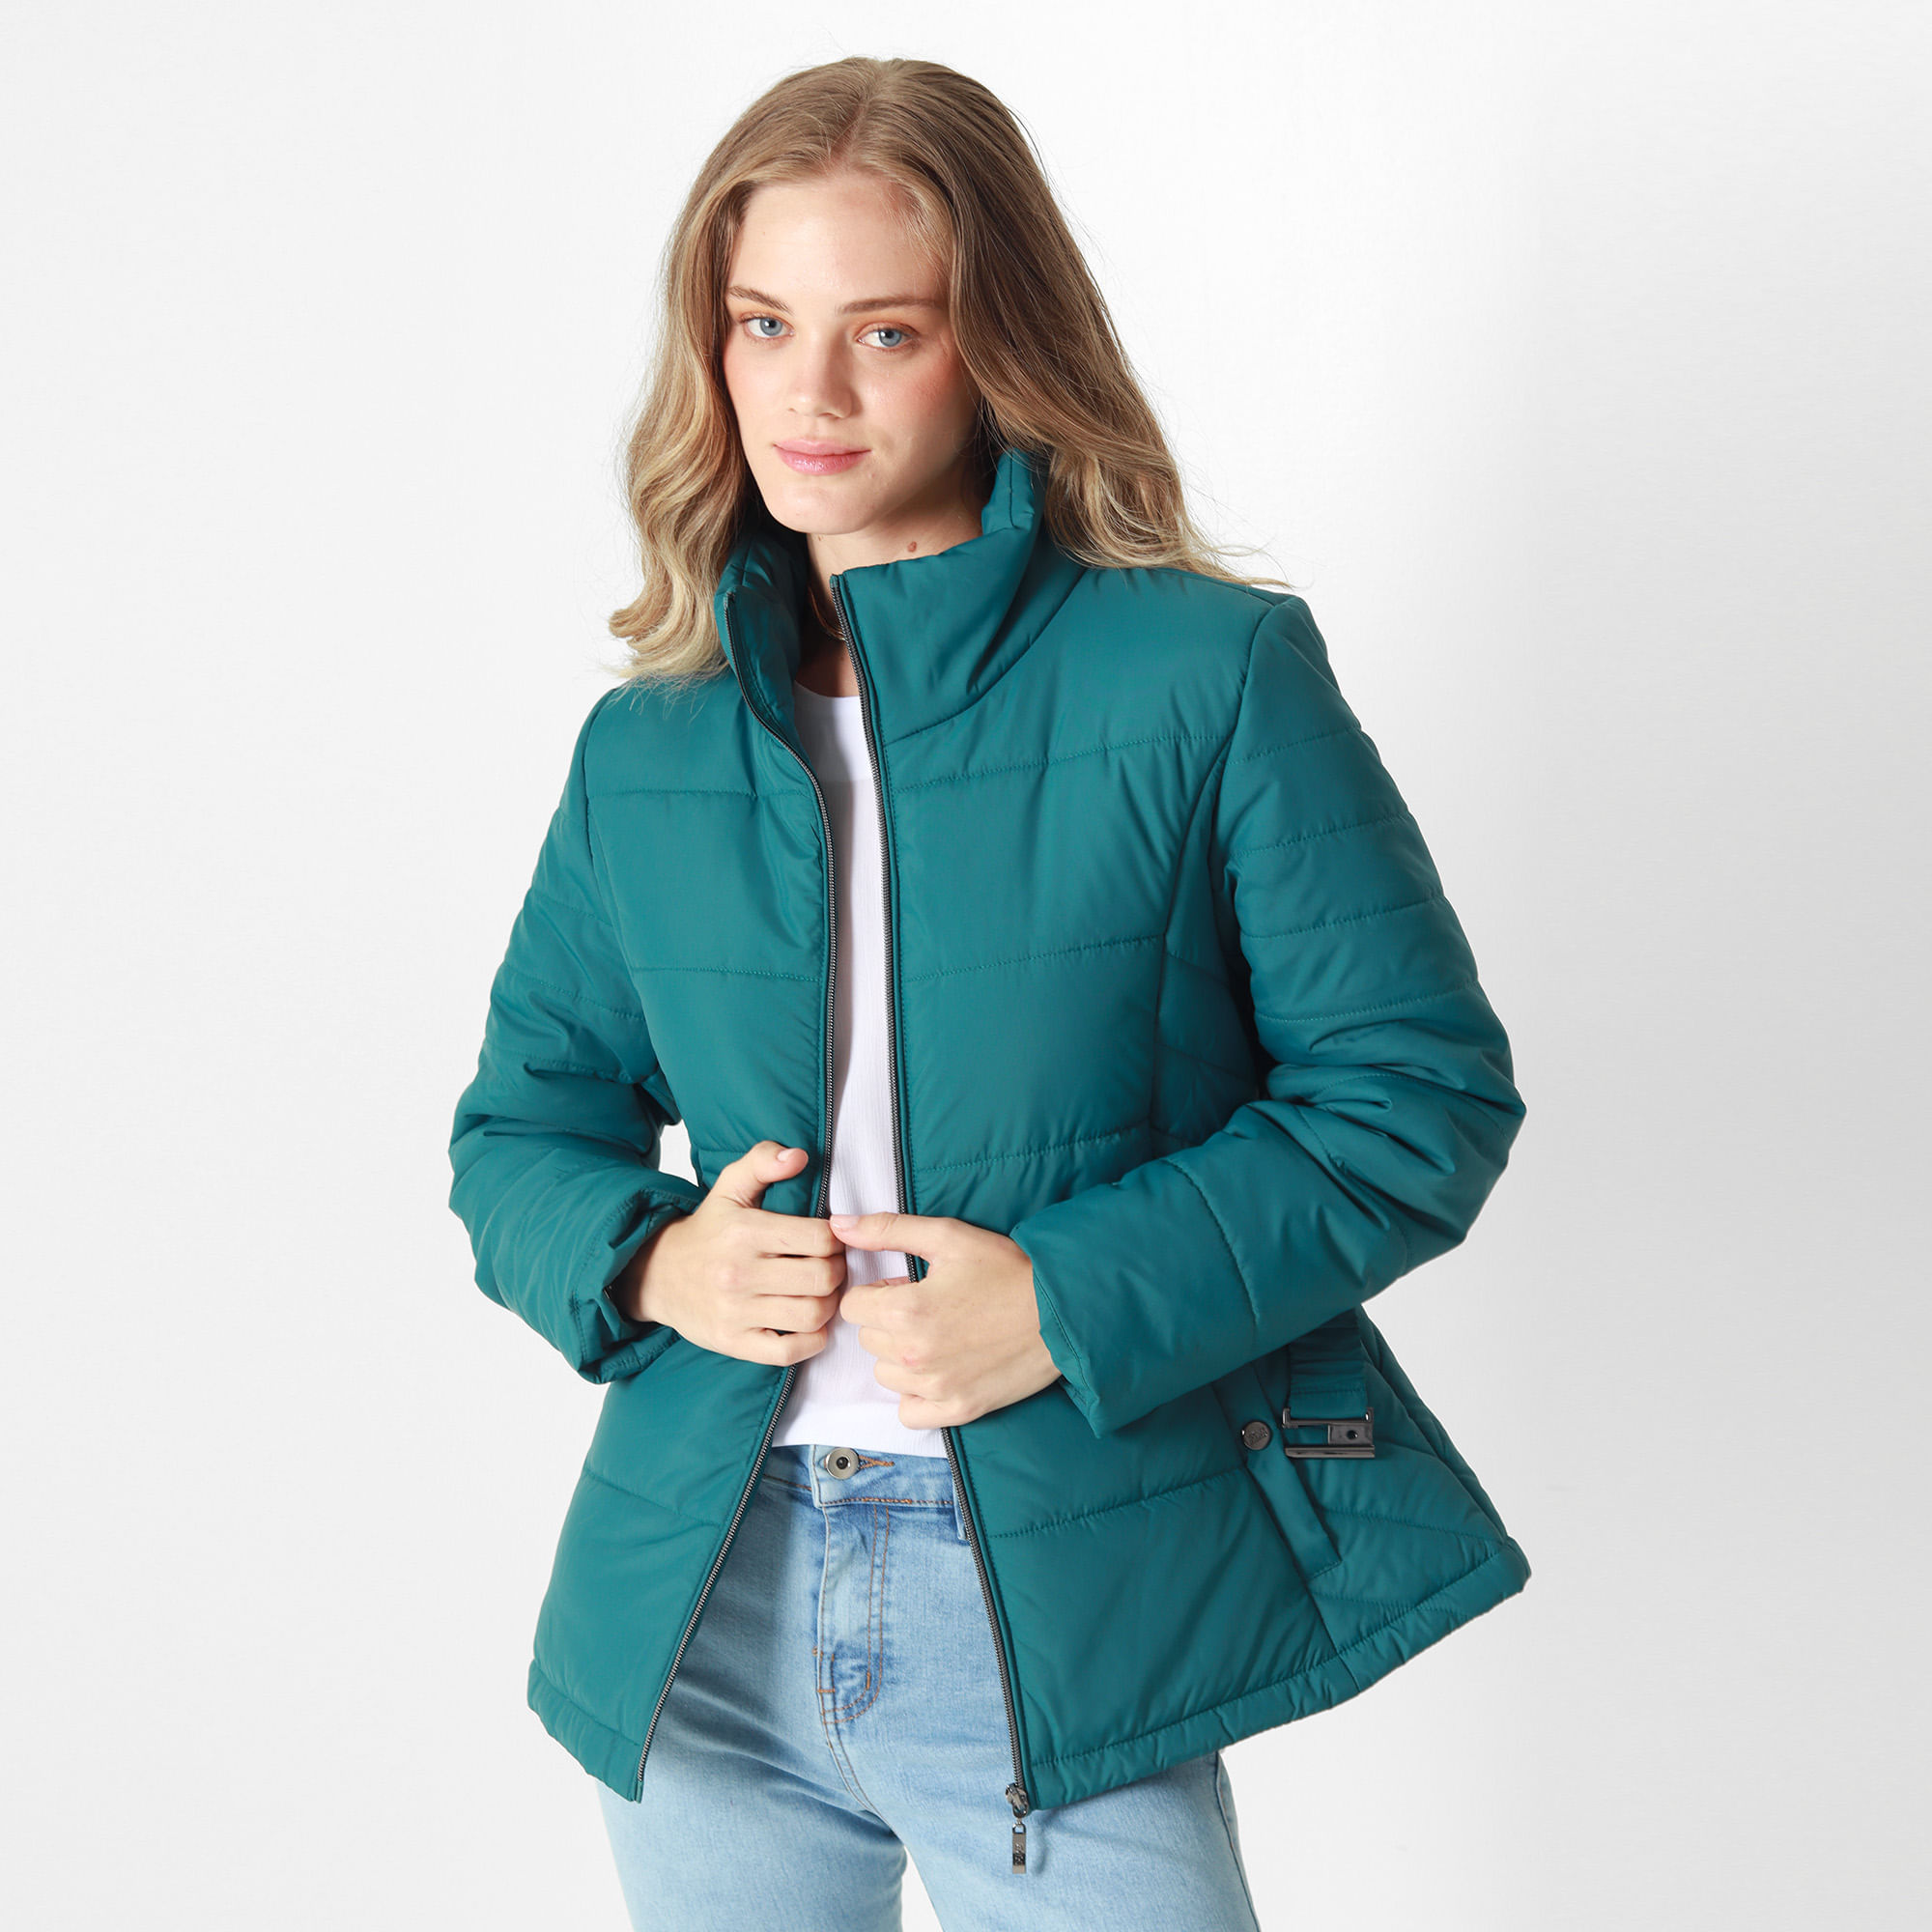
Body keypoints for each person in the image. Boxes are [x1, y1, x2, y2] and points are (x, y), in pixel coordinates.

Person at [448, 54, 1530, 1932]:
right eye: (763, 323)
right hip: (705, 1603)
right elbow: (520, 1130)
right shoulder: (653, 744)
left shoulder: (1205, 676)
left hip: (1056, 1581)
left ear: (998, 344)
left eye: (887, 331)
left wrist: (1065, 1297)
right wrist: (654, 1264)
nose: (809, 392)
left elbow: (1412, 1100)